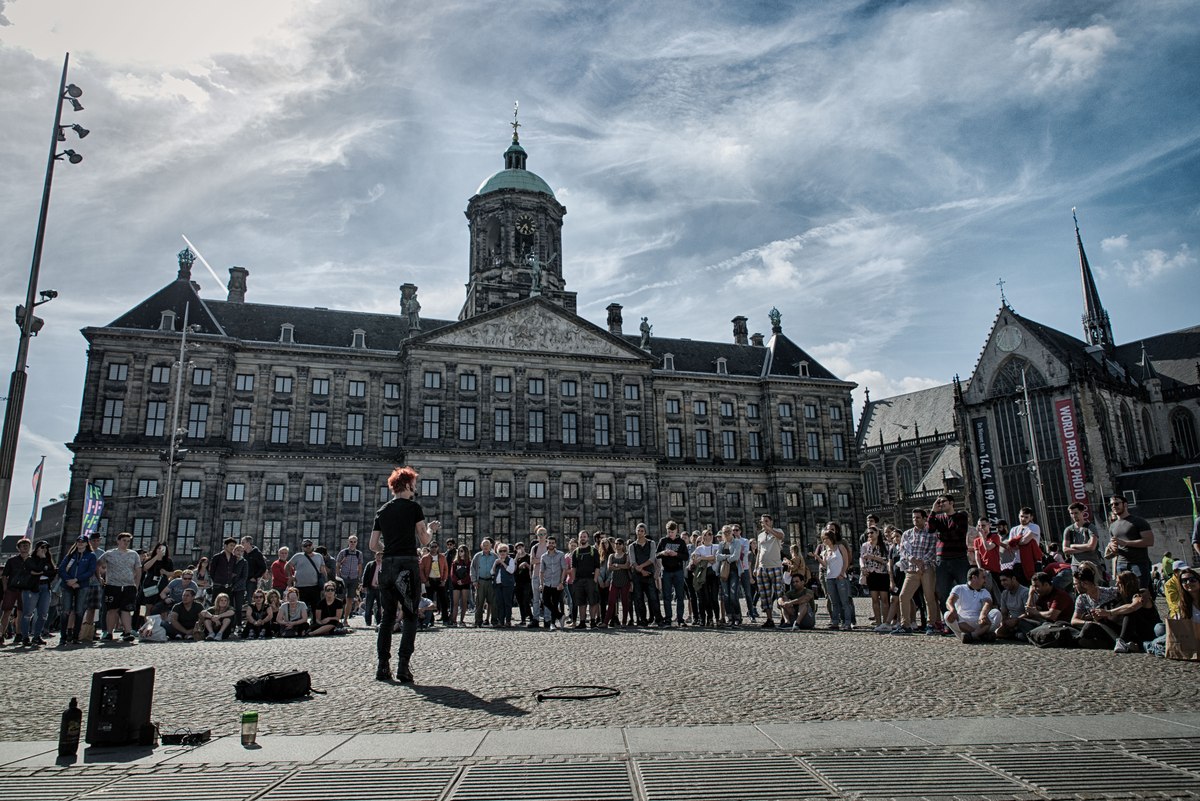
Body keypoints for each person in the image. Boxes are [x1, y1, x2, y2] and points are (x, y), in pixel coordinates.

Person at [370, 465, 439, 683]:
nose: (415, 489)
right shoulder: (413, 508)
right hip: (407, 566)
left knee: (387, 618)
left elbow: (373, 545)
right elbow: (424, 540)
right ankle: (403, 666)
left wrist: (389, 549)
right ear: (407, 484)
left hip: (388, 567)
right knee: (410, 616)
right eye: (414, 486)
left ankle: (382, 667)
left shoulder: (382, 511)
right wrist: (431, 530)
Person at [894, 508, 942, 636]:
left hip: (927, 569)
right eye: (914, 517)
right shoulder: (907, 533)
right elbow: (903, 550)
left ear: (925, 518)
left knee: (929, 597)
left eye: (918, 517)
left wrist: (922, 562)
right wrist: (913, 559)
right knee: (903, 596)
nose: (915, 520)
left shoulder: (931, 532)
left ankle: (931, 624)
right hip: (912, 570)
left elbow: (933, 549)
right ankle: (906, 625)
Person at [1089, 570, 1160, 653]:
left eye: (1119, 583)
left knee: (1129, 612)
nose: (1116, 585)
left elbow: (1132, 607)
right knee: (1102, 621)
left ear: (1127, 584)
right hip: (1133, 634)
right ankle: (1120, 642)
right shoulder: (1120, 597)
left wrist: (1109, 612)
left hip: (1148, 632)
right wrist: (1100, 616)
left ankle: (1122, 641)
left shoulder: (1141, 594)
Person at [928, 495, 971, 626]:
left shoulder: (961, 516)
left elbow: (958, 534)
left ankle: (968, 620)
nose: (940, 504)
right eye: (938, 502)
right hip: (942, 560)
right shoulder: (938, 518)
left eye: (943, 501)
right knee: (943, 593)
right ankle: (949, 623)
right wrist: (933, 511)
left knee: (966, 590)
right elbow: (930, 529)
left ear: (951, 502)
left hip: (959, 559)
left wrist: (941, 535)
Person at [97, 532, 142, 643]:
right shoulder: (109, 554)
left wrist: (136, 584)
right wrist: (100, 579)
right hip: (112, 585)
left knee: (126, 609)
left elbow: (138, 569)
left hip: (128, 585)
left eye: (128, 541)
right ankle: (109, 632)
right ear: (118, 541)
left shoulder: (133, 554)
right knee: (112, 609)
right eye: (124, 540)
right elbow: (98, 564)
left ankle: (127, 632)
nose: (126, 543)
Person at [1104, 495, 1155, 591]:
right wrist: (1112, 546)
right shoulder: (1112, 526)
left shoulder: (1138, 521)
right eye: (1111, 505)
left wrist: (1126, 543)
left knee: (1142, 592)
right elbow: (1115, 543)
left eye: (1116, 503)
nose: (1114, 506)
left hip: (1138, 563)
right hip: (1121, 564)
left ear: (1125, 504)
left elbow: (1149, 541)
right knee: (1125, 594)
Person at [58, 536, 98, 645]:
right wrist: (68, 580)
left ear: (86, 543)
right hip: (67, 585)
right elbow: (61, 569)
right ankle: (63, 637)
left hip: (82, 585)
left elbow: (91, 571)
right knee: (65, 611)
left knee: (79, 611)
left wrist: (77, 580)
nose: (80, 543)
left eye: (82, 542)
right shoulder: (71, 555)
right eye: (78, 541)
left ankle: (76, 637)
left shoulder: (91, 556)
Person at [1071, 563, 1122, 649]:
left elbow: (1128, 593)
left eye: (1076, 584)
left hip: (1113, 628)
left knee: (1088, 629)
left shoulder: (1109, 592)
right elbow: (1074, 620)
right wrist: (1087, 622)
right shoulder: (1081, 598)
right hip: (1097, 628)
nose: (1074, 587)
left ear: (1084, 584)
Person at [944, 567, 1000, 643]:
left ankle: (972, 636)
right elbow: (949, 601)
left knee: (996, 613)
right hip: (963, 623)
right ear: (974, 577)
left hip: (980, 622)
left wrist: (983, 614)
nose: (985, 581)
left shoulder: (984, 591)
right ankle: (981, 635)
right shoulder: (959, 588)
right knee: (947, 615)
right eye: (983, 577)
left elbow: (987, 603)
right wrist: (952, 610)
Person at [816, 522, 853, 631]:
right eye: (823, 539)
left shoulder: (840, 547)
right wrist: (818, 558)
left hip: (840, 577)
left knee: (844, 602)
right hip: (830, 578)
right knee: (834, 602)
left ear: (831, 538)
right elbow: (826, 565)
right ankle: (835, 622)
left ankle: (847, 623)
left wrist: (842, 573)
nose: (824, 541)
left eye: (825, 539)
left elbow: (846, 561)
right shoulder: (826, 551)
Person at [20, 540, 56, 647]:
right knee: (28, 614)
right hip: (32, 588)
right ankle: (25, 636)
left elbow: (52, 572)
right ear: (37, 549)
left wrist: (40, 571)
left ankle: (37, 636)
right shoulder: (30, 560)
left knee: (43, 614)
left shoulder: (48, 560)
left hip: (45, 587)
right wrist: (41, 563)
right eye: (42, 547)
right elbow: (35, 569)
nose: (44, 550)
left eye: (45, 548)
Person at [755, 514, 786, 628]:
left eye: (766, 521)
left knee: (779, 594)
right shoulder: (760, 536)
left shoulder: (777, 531)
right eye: (763, 522)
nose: (764, 523)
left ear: (771, 522)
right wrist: (756, 567)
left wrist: (769, 529)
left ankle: (784, 618)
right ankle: (769, 619)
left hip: (776, 567)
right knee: (765, 595)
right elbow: (759, 552)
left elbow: (781, 537)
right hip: (762, 568)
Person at [656, 521, 689, 627]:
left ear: (676, 531)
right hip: (666, 571)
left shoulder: (681, 542)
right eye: (668, 532)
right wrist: (663, 553)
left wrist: (676, 554)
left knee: (680, 596)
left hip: (678, 571)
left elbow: (686, 556)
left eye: (672, 532)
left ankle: (680, 619)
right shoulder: (663, 541)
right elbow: (656, 555)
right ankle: (668, 619)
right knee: (666, 596)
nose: (670, 534)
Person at [629, 523, 661, 626]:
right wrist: (641, 570)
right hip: (637, 576)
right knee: (638, 598)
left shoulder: (651, 543)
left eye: (642, 531)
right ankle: (642, 619)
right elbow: (633, 561)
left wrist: (641, 566)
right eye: (638, 530)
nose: (640, 533)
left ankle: (658, 619)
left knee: (653, 598)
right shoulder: (632, 546)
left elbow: (652, 558)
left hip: (649, 574)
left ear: (645, 532)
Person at [568, 531, 601, 628]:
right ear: (579, 538)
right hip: (579, 580)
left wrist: (595, 579)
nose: (583, 538)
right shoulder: (576, 552)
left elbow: (597, 567)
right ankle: (582, 622)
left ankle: (592, 621)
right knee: (581, 603)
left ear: (588, 538)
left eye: (584, 536)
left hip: (591, 579)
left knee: (593, 602)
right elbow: (573, 568)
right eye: (581, 537)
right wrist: (574, 580)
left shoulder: (593, 551)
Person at [287, 540, 327, 620]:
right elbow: (287, 566)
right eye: (305, 546)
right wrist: (290, 576)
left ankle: (315, 623)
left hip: (315, 587)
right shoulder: (298, 556)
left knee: (316, 607)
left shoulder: (319, 556)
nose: (308, 547)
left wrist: (325, 584)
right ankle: (301, 624)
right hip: (300, 587)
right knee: (301, 608)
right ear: (303, 548)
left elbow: (323, 570)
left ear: (312, 545)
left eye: (309, 545)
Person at [860, 525, 890, 628]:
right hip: (871, 574)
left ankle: (886, 622)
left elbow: (886, 560)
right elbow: (861, 558)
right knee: (874, 599)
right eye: (868, 533)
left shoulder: (884, 545)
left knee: (884, 599)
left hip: (882, 574)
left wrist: (872, 557)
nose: (870, 535)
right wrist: (863, 567)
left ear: (877, 533)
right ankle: (878, 622)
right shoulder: (865, 545)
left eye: (872, 532)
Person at [1062, 503, 1103, 576]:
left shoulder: (1090, 527)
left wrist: (1073, 545)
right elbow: (1065, 549)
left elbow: (1091, 547)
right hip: (1076, 565)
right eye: (1072, 513)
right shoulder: (1068, 530)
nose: (1074, 515)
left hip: (1092, 564)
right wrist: (1084, 548)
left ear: (1082, 512)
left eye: (1076, 513)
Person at [717, 525, 746, 627]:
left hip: (734, 571)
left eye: (729, 531)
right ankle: (730, 617)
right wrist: (728, 557)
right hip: (724, 572)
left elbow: (736, 556)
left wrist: (725, 558)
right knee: (726, 596)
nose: (727, 533)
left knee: (733, 596)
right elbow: (717, 557)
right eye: (725, 532)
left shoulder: (737, 542)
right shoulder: (721, 544)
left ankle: (737, 617)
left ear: (732, 532)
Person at [1005, 508, 1043, 586]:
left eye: (1026, 517)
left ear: (1031, 517)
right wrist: (1015, 543)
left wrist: (1015, 541)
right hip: (1018, 562)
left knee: (1035, 585)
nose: (1023, 519)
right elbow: (1011, 545)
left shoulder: (1034, 527)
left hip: (1033, 561)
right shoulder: (1014, 529)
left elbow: (1025, 541)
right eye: (1022, 516)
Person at [994, 569, 1033, 640]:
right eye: (1001, 581)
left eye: (1005, 580)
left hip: (1024, 621)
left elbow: (1030, 613)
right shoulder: (1004, 594)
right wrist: (1004, 623)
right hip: (1011, 623)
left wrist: (1016, 620)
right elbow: (1004, 613)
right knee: (998, 633)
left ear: (1013, 579)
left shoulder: (1025, 592)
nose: (1002, 583)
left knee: (1022, 635)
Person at [418, 541, 450, 626]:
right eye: (432, 547)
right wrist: (425, 581)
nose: (434, 548)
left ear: (438, 547)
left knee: (443, 601)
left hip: (440, 580)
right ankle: (430, 620)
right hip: (430, 581)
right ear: (429, 548)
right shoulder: (425, 558)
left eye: (435, 546)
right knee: (429, 601)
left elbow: (446, 569)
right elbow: (421, 570)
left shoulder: (442, 557)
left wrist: (444, 580)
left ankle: (445, 619)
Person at [538, 536, 567, 629]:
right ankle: (560, 616)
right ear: (547, 544)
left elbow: (564, 569)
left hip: (557, 583)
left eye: (552, 543)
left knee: (555, 603)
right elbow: (541, 571)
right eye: (549, 543)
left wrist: (562, 582)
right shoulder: (544, 556)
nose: (551, 544)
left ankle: (552, 624)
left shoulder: (560, 555)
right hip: (547, 582)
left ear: (555, 544)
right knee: (545, 601)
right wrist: (541, 584)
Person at [335, 535, 365, 624]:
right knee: (340, 599)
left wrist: (359, 578)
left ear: (357, 543)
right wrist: (338, 576)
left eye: (354, 542)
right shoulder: (343, 552)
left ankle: (345, 620)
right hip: (343, 577)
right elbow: (337, 565)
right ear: (348, 542)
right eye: (351, 541)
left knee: (350, 599)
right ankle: (337, 619)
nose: (352, 543)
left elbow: (360, 566)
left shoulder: (359, 553)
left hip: (353, 577)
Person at [605, 538, 633, 627]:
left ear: (623, 545)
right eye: (616, 543)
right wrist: (621, 567)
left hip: (625, 581)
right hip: (614, 581)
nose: (618, 545)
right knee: (611, 601)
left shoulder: (626, 556)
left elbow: (627, 566)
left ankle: (624, 622)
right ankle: (605, 622)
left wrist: (617, 565)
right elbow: (609, 567)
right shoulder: (611, 556)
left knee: (625, 602)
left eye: (620, 543)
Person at [470, 538, 497, 627]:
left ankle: (494, 621)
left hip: (491, 581)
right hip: (480, 581)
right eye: (484, 545)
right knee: (479, 603)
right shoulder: (477, 556)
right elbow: (472, 569)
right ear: (481, 546)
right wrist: (474, 581)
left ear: (490, 546)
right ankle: (478, 621)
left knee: (493, 603)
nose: (485, 547)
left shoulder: (494, 556)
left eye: (487, 545)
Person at [971, 518, 1003, 595]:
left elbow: (988, 548)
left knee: (997, 593)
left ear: (989, 525)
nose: (981, 528)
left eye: (983, 525)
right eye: (979, 526)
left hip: (994, 569)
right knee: (986, 593)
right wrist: (979, 568)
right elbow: (977, 556)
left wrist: (982, 537)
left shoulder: (995, 537)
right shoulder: (977, 541)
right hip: (984, 571)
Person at [492, 543, 516, 627]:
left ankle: (508, 620)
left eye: (504, 551)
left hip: (507, 584)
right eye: (500, 551)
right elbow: (492, 572)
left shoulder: (510, 560)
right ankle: (500, 621)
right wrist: (495, 564)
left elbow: (511, 570)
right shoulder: (496, 561)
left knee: (507, 603)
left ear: (507, 552)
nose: (502, 553)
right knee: (500, 603)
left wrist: (503, 563)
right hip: (498, 584)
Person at [450, 545, 472, 627]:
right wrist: (457, 581)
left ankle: (461, 620)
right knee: (455, 603)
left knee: (464, 603)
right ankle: (454, 620)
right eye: (459, 551)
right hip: (456, 584)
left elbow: (470, 574)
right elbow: (452, 574)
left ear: (466, 552)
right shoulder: (455, 562)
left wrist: (463, 581)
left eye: (462, 551)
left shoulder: (469, 562)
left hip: (465, 584)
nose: (460, 553)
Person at [361, 551, 384, 628]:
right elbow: (365, 575)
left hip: (381, 589)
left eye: (381, 555)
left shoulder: (385, 565)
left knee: (379, 606)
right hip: (371, 588)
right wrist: (364, 586)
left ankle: (378, 621)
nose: (379, 557)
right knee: (368, 606)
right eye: (378, 555)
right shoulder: (370, 564)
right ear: (375, 556)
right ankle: (368, 622)